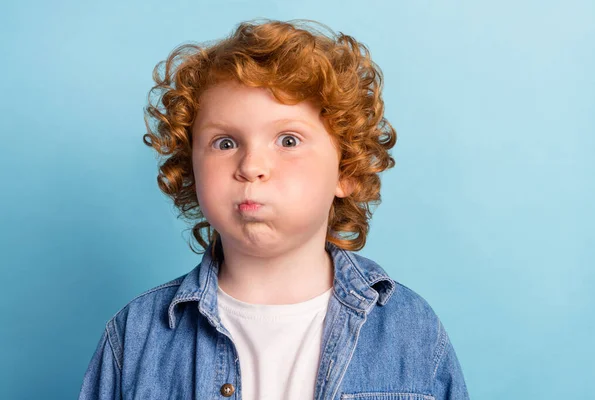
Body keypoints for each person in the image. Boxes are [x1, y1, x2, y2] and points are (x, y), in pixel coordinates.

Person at [78, 18, 470, 400]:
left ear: (346, 170)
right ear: (192, 172)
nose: (251, 166)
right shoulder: (136, 336)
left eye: (287, 140)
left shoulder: (411, 330)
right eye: (225, 143)